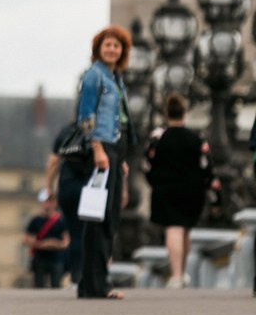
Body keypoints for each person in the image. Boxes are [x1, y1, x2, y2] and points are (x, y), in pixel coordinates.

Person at [76, 25, 136, 301]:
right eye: (107, 45)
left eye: (117, 46)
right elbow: (86, 116)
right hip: (101, 150)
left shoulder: (115, 78)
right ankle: (94, 285)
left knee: (108, 218)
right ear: (98, 49)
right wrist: (98, 148)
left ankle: (95, 283)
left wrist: (119, 159)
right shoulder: (94, 77)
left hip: (114, 151)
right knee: (98, 219)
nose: (112, 49)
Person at [143, 93, 212, 289]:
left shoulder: (158, 135)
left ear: (166, 113)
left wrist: (154, 182)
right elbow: (206, 165)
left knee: (173, 228)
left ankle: (176, 275)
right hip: (192, 189)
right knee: (186, 229)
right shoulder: (197, 137)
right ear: (184, 113)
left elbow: (147, 163)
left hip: (166, 188)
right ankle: (183, 272)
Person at [45, 125, 91, 285]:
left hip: (67, 185)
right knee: (91, 232)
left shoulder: (66, 132)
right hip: (89, 186)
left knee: (74, 234)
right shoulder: (98, 131)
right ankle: (91, 276)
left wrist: (49, 187)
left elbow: (53, 162)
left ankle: (75, 277)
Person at [24, 190, 69, 288]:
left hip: (56, 258)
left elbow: (66, 242)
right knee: (38, 286)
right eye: (46, 201)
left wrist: (54, 244)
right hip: (40, 258)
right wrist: (42, 244)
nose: (48, 204)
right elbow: (26, 239)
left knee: (56, 285)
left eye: (51, 201)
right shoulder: (36, 220)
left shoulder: (61, 221)